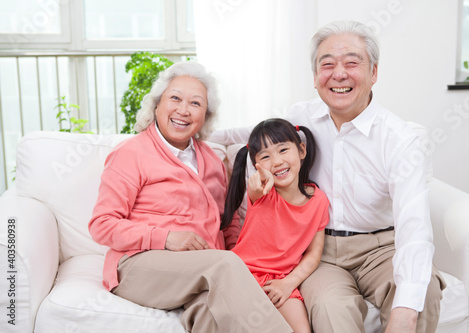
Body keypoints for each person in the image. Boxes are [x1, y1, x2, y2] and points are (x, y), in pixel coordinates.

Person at [210, 20, 445, 333]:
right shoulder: (301, 117)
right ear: (315, 76)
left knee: (423, 292)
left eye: (352, 62)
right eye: (327, 64)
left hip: (382, 247)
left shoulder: (400, 139)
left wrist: (405, 313)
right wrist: (197, 132)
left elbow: (414, 227)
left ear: (374, 73)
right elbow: (254, 132)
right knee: (330, 309)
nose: (339, 74)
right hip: (320, 252)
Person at [88, 61, 293, 333]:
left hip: (198, 271)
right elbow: (102, 224)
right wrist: (166, 237)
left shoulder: (211, 159)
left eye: (195, 104)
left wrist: (240, 257)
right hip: (138, 266)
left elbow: (226, 221)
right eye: (175, 98)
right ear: (157, 105)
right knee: (224, 265)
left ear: (205, 116)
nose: (183, 110)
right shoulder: (131, 153)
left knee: (213, 314)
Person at [221, 118, 329, 333]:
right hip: (243, 274)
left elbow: (313, 254)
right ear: (256, 166)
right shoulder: (262, 192)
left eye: (283, 150)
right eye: (266, 157)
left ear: (301, 151)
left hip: (281, 280)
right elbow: (256, 188)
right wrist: (258, 184)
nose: (277, 161)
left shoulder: (319, 200)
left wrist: (289, 283)